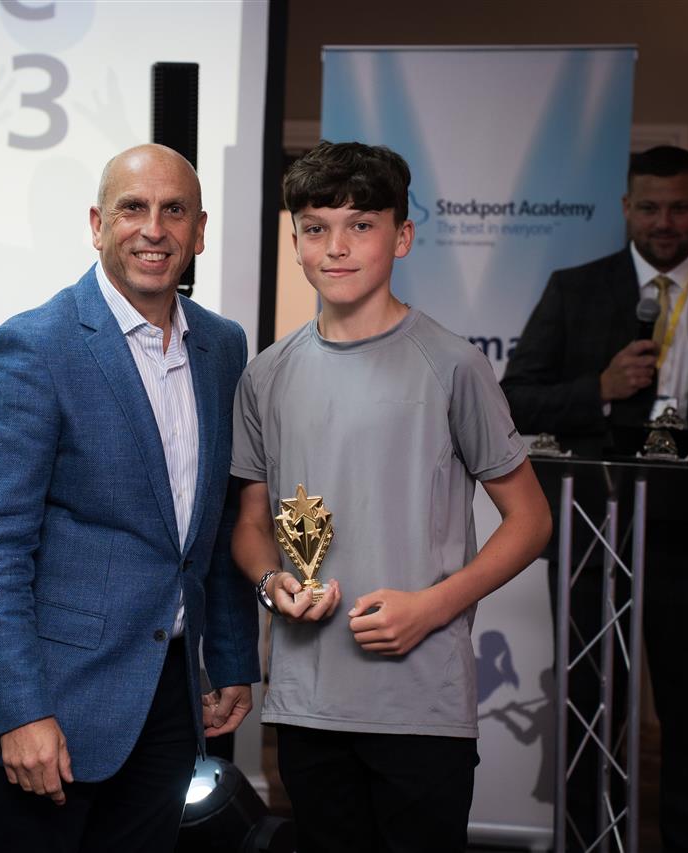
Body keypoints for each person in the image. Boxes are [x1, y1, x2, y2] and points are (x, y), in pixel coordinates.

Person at [230, 141, 552, 853]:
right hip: (307, 701)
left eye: (361, 225)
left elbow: (531, 521)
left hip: (421, 701)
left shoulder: (454, 364)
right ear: (295, 242)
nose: (337, 247)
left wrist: (431, 607)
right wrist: (272, 582)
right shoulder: (266, 375)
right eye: (316, 227)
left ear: (401, 237)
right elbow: (252, 523)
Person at [0, 143, 261, 853]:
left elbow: (214, 521)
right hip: (53, 704)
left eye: (174, 211)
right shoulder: (32, 346)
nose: (154, 229)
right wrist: (18, 712)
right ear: (97, 224)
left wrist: (232, 657)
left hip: (170, 702)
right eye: (133, 208)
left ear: (200, 231)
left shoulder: (221, 346)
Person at [501, 145, 688, 852]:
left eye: (678, 207)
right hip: (595, 539)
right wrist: (599, 389)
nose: (663, 222)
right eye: (649, 207)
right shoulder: (576, 289)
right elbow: (514, 398)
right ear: (626, 209)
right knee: (589, 715)